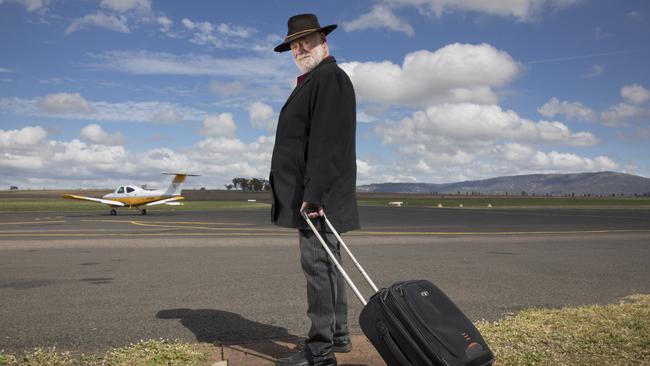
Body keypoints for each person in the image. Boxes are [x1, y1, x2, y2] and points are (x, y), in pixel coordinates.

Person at [269, 13, 360, 366]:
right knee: (327, 265)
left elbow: (327, 140)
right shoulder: (315, 79)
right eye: (294, 43)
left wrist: (314, 192)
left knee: (317, 268)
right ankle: (338, 336)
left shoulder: (329, 78)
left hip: (317, 194)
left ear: (324, 39)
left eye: (306, 40)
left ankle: (320, 351)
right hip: (316, 191)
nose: (299, 47)